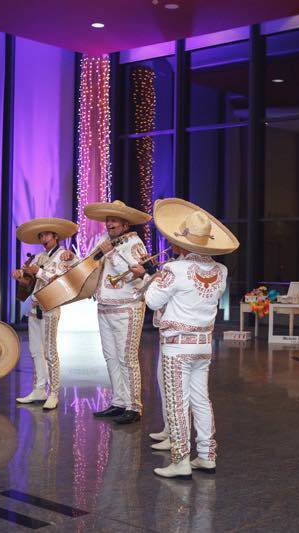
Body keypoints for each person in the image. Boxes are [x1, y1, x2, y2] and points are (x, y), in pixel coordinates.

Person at [144, 198, 239, 479]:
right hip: (203, 345)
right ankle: (207, 455)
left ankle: (181, 460)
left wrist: (156, 278)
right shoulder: (221, 272)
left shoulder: (175, 270)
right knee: (201, 400)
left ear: (183, 243)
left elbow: (151, 300)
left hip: (177, 346)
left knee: (176, 402)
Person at [84, 201, 152, 425]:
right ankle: (119, 401)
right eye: (108, 220)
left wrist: (111, 254)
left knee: (126, 358)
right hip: (105, 306)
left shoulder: (134, 243)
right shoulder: (108, 243)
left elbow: (136, 272)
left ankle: (134, 406)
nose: (109, 223)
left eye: (114, 220)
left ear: (125, 224)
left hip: (127, 307)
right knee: (111, 357)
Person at [12, 218, 78, 410]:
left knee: (50, 351)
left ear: (55, 236)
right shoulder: (39, 257)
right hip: (34, 307)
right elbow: (31, 284)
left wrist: (38, 272)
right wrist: (21, 277)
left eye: (46, 234)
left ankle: (54, 392)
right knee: (34, 350)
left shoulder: (65, 256)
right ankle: (39, 388)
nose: (43, 238)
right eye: (40, 235)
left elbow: (63, 281)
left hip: (50, 306)